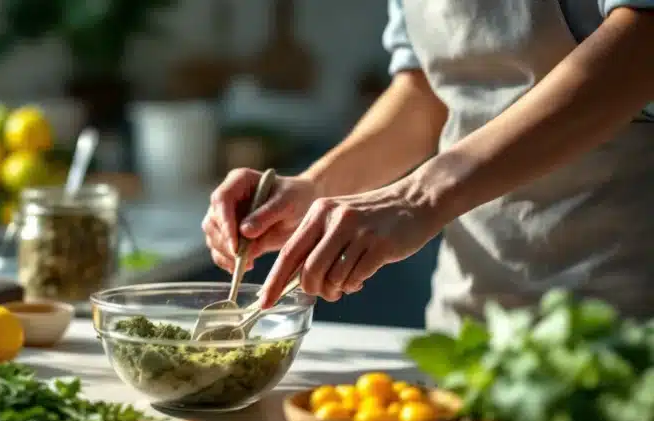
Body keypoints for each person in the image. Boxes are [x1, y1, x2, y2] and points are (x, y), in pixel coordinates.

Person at [202, 0, 654, 332]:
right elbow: (428, 93)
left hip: (620, 313)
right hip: (470, 318)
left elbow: (642, 47)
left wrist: (419, 194)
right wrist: (313, 187)